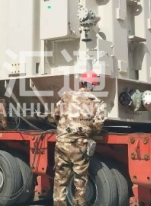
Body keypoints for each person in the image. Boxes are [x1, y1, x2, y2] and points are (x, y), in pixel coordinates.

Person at [51, 71, 107, 206]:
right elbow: (98, 126)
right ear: (94, 86)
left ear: (81, 83)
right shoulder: (98, 103)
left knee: (60, 179)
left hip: (63, 143)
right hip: (80, 146)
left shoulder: (66, 96)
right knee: (80, 181)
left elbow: (55, 115)